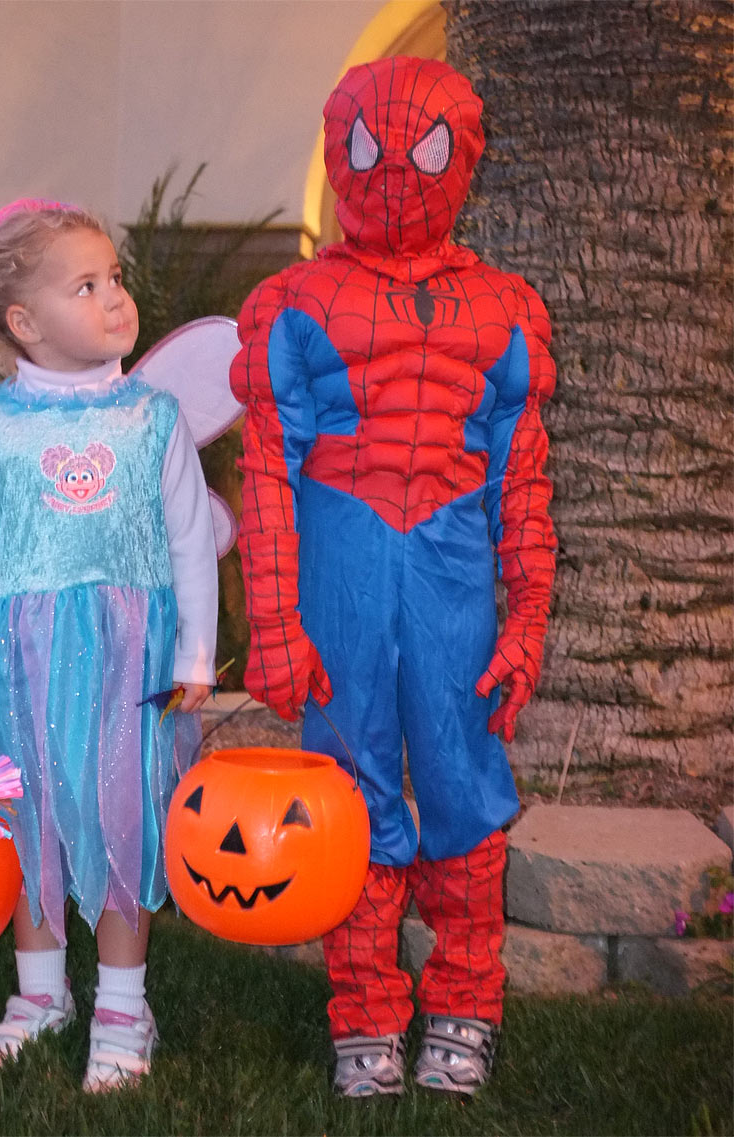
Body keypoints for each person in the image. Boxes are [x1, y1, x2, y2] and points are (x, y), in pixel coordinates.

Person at [231, 57, 557, 1097]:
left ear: (462, 158)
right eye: (368, 151)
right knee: (346, 783)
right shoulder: (290, 300)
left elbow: (522, 475)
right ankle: (365, 1008)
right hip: (339, 555)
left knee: (463, 778)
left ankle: (465, 998)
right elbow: (267, 469)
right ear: (338, 152)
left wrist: (530, 612)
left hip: (456, 561)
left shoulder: (507, 306)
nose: (394, 177)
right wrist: (273, 620)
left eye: (421, 152)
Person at [0, 197, 218, 1090]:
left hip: (129, 666)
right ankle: (42, 993)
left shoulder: (152, 419)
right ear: (25, 323)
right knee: (31, 820)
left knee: (124, 814)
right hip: (20, 667)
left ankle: (124, 1005)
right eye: (86, 285)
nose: (116, 298)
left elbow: (190, 540)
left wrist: (196, 653)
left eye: (115, 278)